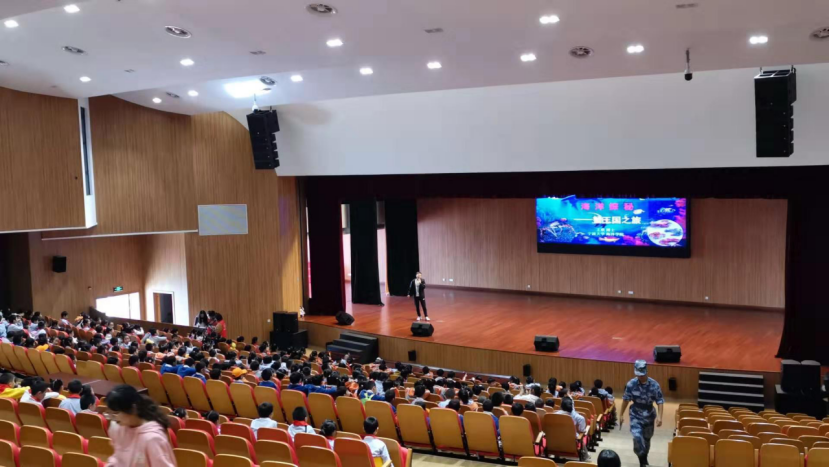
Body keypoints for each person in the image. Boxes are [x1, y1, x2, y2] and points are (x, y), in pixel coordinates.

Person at [104, 385, 176, 467]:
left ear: (133, 409)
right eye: (109, 413)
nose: (112, 418)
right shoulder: (117, 428)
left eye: (116, 413)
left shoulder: (153, 439)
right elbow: (118, 457)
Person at [619, 360, 664, 467]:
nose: (641, 377)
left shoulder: (654, 385)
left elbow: (660, 401)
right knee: (637, 437)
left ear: (646, 371)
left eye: (642, 374)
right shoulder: (631, 384)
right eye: (639, 375)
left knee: (647, 439)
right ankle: (643, 462)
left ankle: (644, 458)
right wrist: (621, 414)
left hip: (649, 415)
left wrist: (660, 417)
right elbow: (626, 400)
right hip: (635, 414)